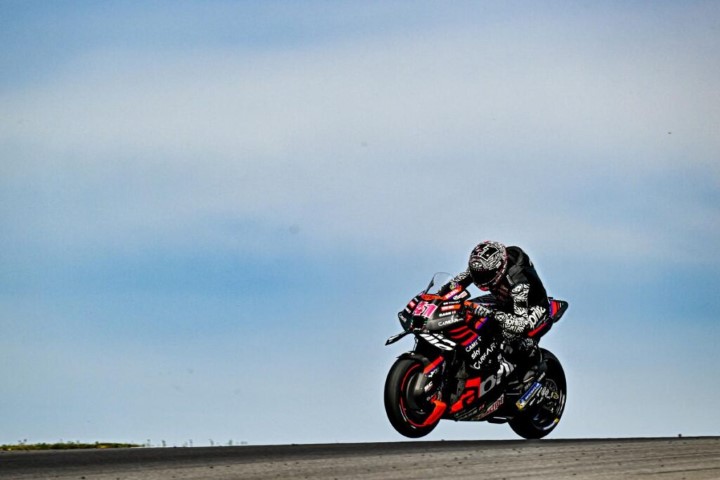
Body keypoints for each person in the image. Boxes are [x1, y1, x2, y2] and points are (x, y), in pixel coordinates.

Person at [442, 241, 549, 385]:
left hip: (531, 307)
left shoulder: (518, 281)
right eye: (478, 274)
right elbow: (455, 285)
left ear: (500, 268)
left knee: (512, 335)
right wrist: (437, 299)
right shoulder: (483, 265)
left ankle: (531, 365)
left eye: (485, 275)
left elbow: (520, 323)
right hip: (502, 300)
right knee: (465, 310)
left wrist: (490, 314)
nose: (480, 279)